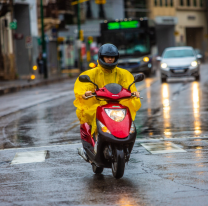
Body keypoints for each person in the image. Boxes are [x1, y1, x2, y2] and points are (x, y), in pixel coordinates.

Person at [74, 43, 141, 149]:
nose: (110, 59)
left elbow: (130, 87)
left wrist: (134, 93)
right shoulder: (91, 74)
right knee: (92, 112)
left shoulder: (123, 73)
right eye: (107, 57)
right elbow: (82, 87)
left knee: (127, 112)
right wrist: (85, 93)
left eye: (112, 57)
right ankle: (95, 141)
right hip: (97, 105)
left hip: (117, 104)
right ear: (101, 57)